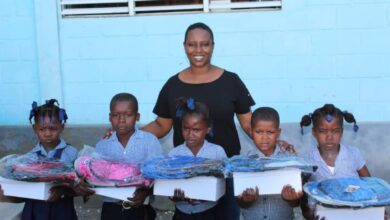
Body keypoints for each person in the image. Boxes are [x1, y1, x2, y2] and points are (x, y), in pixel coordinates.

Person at [142, 21, 255, 220]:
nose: (198, 50)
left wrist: (273, 142)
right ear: (184, 46)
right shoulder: (172, 85)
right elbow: (162, 125)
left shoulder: (231, 81)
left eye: (205, 44)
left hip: (225, 173)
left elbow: (248, 123)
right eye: (192, 44)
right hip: (186, 174)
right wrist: (128, 135)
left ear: (213, 45)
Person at [0, 99, 94, 220]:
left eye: (53, 128)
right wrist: (6, 193)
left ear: (62, 127)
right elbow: (22, 192)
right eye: (42, 129)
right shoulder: (29, 158)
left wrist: (63, 191)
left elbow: (82, 187)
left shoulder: (72, 154)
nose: (48, 133)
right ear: (34, 128)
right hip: (34, 211)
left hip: (61, 211)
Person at [95, 92, 163, 220]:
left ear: (137, 116)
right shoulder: (102, 145)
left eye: (128, 115)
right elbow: (94, 176)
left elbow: (159, 174)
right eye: (116, 115)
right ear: (110, 117)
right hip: (111, 209)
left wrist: (146, 192)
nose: (121, 120)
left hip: (140, 208)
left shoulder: (150, 141)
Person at [299, 103, 371, 219]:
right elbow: (304, 196)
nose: (329, 137)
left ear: (341, 132)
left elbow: (370, 184)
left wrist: (377, 209)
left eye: (335, 131)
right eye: (322, 131)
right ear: (314, 132)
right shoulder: (307, 160)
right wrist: (310, 215)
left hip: (356, 214)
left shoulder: (353, 154)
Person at [236, 107, 301, 220]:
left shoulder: (290, 160)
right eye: (258, 132)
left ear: (278, 133)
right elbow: (240, 202)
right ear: (251, 132)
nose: (264, 137)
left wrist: (292, 199)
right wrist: (246, 200)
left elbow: (296, 202)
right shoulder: (243, 163)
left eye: (270, 132)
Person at [168, 97, 227, 220]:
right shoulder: (174, 154)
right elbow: (168, 185)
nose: (190, 134)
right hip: (182, 213)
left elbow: (225, 181)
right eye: (186, 128)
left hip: (210, 212)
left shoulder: (217, 152)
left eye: (196, 129)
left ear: (208, 128)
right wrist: (173, 196)